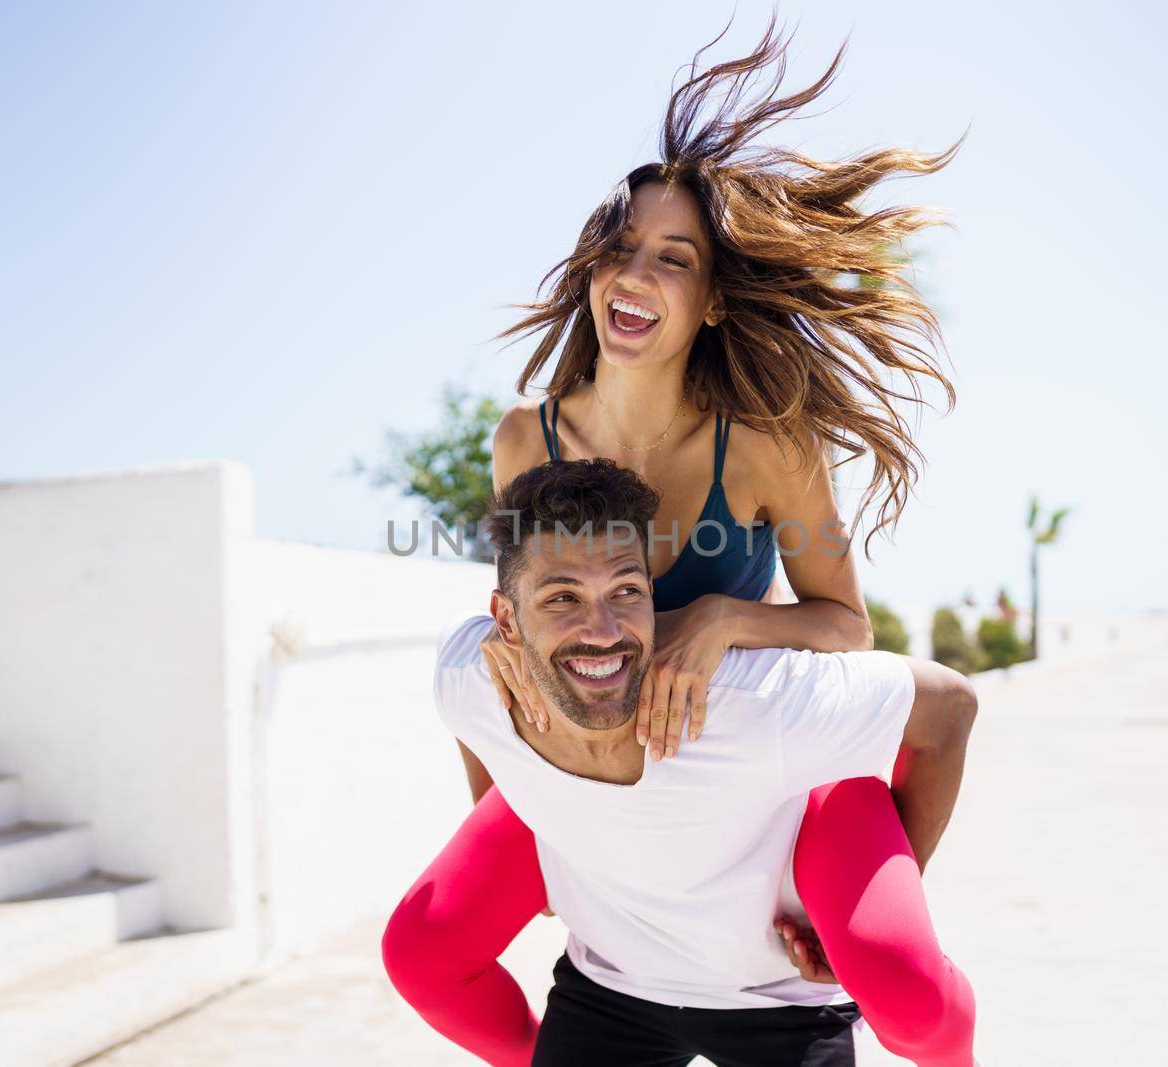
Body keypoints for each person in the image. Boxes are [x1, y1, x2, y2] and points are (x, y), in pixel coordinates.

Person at [385, 16, 978, 1066]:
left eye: (672, 259)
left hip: (761, 753)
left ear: (707, 301)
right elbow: (517, 647)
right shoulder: (529, 435)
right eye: (619, 250)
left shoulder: (760, 445)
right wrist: (558, 825)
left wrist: (718, 618)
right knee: (424, 947)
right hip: (607, 764)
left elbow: (846, 624)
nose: (636, 276)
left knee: (902, 983)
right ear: (588, 271)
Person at [385, 458, 977, 1066]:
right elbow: (470, 715)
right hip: (610, 990)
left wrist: (881, 893)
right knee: (417, 952)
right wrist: (539, 818)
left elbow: (950, 707)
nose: (602, 629)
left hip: (779, 999)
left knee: (911, 1001)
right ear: (505, 620)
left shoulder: (754, 704)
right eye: (562, 597)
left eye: (626, 591)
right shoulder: (473, 672)